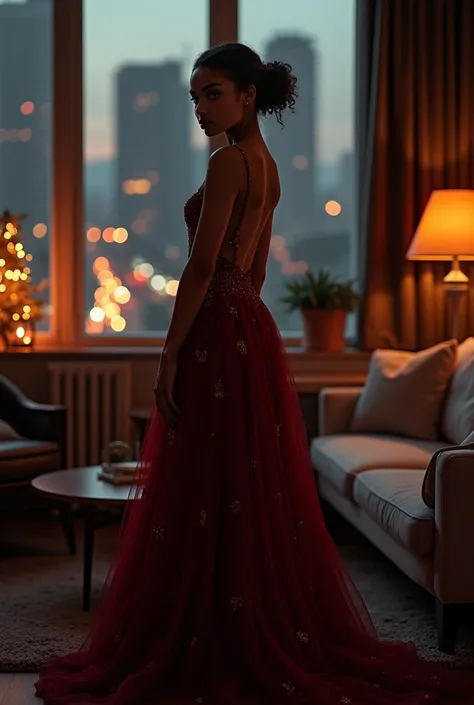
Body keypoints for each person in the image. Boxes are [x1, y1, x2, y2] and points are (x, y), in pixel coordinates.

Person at [35, 42, 473, 705]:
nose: (201, 108)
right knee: (236, 476)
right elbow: (257, 273)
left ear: (248, 95)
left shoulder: (230, 161)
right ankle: (233, 614)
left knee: (206, 477)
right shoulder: (267, 167)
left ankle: (208, 627)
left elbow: (204, 265)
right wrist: (245, 330)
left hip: (217, 329)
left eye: (212, 93)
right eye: (194, 96)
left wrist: (169, 355)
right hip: (250, 328)